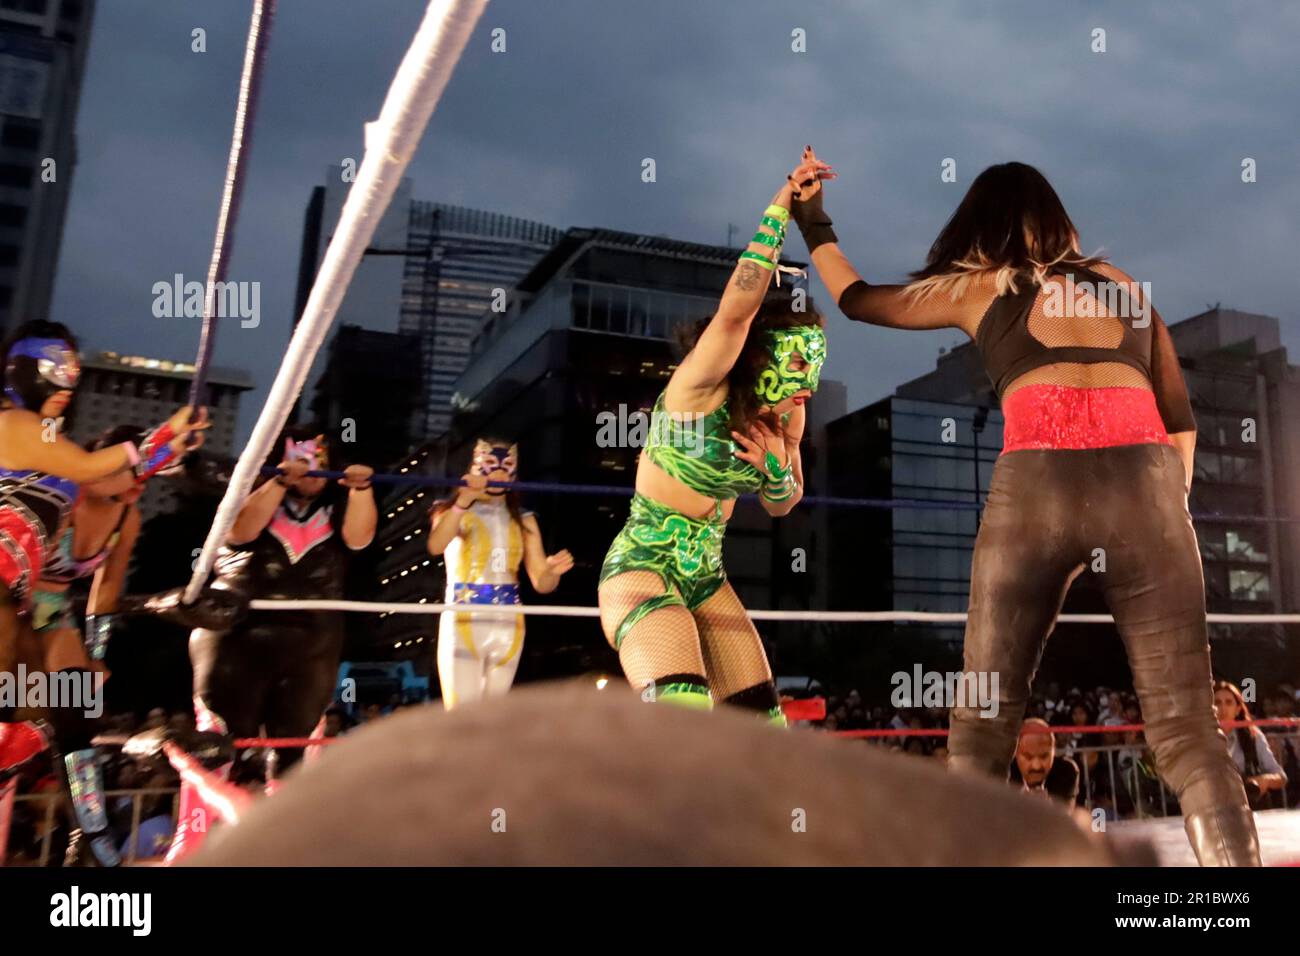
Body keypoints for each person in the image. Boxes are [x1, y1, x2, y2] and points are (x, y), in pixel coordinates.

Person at [791, 150, 1259, 864]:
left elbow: (856, 299)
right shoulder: (1123, 285)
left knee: (982, 724)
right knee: (1191, 736)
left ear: (981, 224)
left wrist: (810, 215)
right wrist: (1168, 509)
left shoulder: (979, 288)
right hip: (1147, 484)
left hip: (1037, 481)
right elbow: (1181, 418)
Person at [596, 160, 827, 725]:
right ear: (760, 356)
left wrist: (776, 473)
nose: (808, 379)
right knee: (685, 722)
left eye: (817, 362)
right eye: (798, 359)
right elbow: (737, 309)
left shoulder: (787, 417)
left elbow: (783, 504)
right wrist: (782, 208)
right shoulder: (700, 388)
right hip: (642, 563)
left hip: (707, 574)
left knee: (761, 730)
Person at [167, 427, 376, 862]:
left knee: (295, 750)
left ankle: (291, 848)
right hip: (236, 636)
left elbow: (360, 539)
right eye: (301, 456)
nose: (311, 466)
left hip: (311, 642)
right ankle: (192, 846)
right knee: (218, 744)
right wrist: (278, 481)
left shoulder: (336, 508)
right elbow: (241, 533)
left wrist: (360, 490)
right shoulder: (249, 493)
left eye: (320, 456)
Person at [426, 439, 573, 709]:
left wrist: (552, 572)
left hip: (509, 621)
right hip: (464, 616)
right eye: (490, 464)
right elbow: (436, 545)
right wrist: (462, 501)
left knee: (493, 715)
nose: (499, 472)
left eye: (507, 466)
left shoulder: (524, 518)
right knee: (462, 714)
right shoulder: (450, 512)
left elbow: (541, 582)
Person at [1213, 680, 1287, 810]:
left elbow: (1281, 777)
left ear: (1238, 709)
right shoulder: (1201, 738)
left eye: (1229, 702)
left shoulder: (1253, 735)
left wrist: (1264, 780)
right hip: (1212, 810)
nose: (1223, 708)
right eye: (1217, 702)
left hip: (1251, 810)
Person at [1008, 718, 1079, 805]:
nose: (1036, 766)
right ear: (1016, 753)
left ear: (1053, 752)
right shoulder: (1005, 769)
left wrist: (1048, 807)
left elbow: (1067, 811)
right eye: (1028, 757)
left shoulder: (1066, 770)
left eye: (1044, 756)